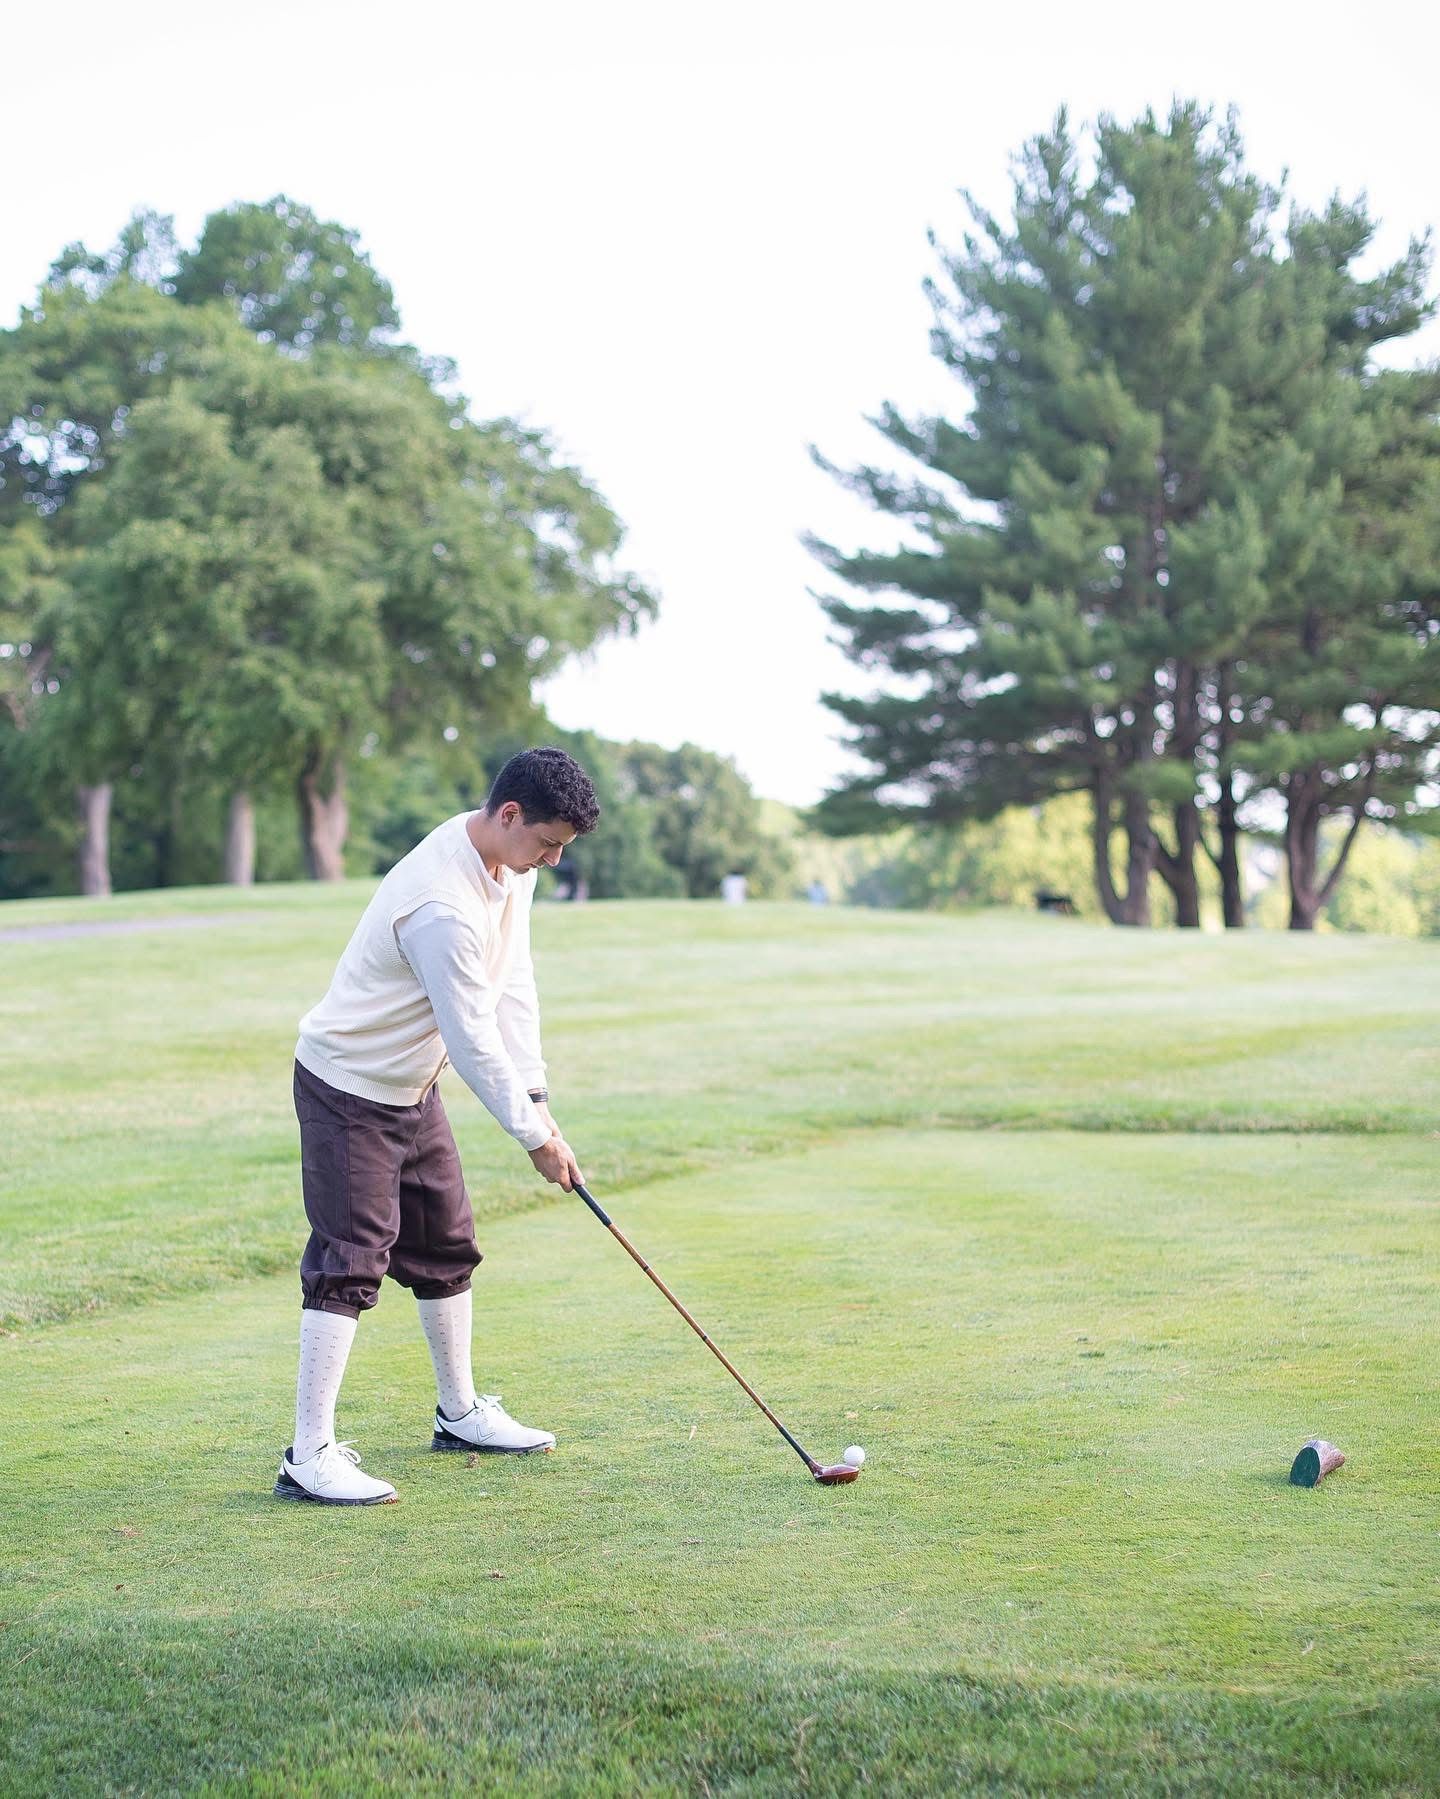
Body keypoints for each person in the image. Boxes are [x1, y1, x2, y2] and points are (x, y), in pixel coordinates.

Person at [274, 746, 597, 1506]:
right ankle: (308, 1454)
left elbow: (512, 984)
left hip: (412, 1086)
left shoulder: (508, 867)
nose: (552, 860)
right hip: (349, 1086)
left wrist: (539, 1098)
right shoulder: (439, 905)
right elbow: (472, 1037)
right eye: (548, 842)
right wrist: (533, 1138)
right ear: (509, 813)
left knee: (446, 1242)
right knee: (351, 1257)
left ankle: (458, 1413)